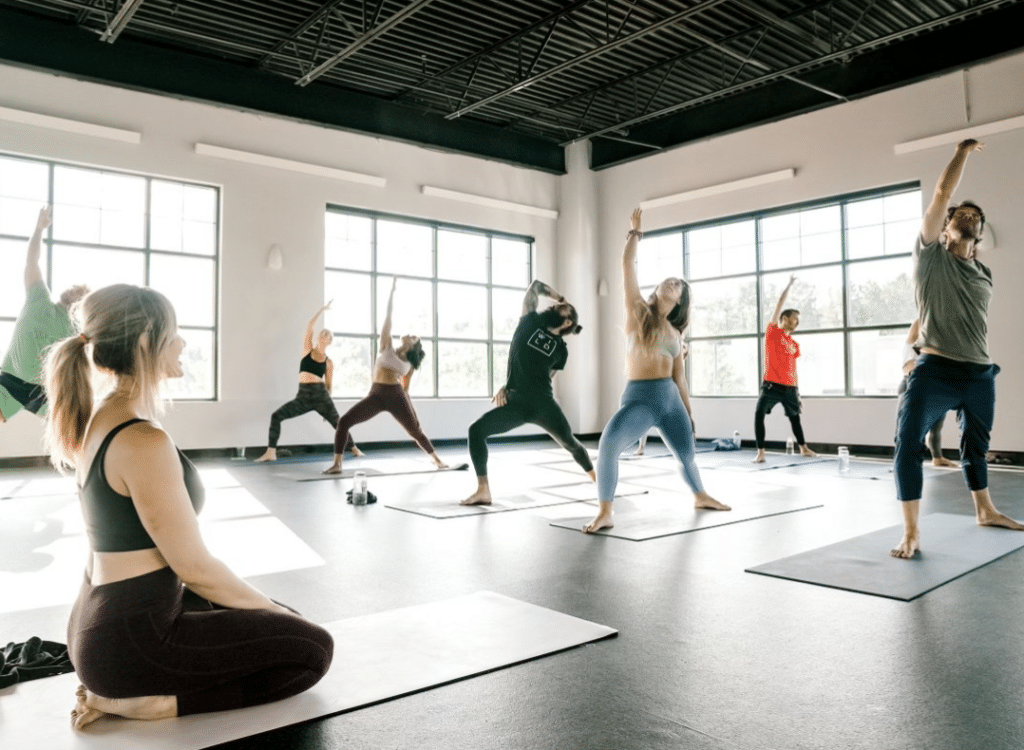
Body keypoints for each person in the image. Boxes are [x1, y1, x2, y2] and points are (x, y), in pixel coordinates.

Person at [42, 284, 333, 730]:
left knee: (262, 613)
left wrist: (263, 609)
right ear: (144, 341)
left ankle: (129, 685)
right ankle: (151, 703)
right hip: (133, 641)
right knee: (313, 649)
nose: (182, 343)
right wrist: (278, 614)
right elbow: (194, 567)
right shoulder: (142, 440)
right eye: (174, 333)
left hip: (99, 625)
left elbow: (110, 552)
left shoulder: (100, 417)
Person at [891, 139, 1024, 558]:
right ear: (945, 228)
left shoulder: (983, 272)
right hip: (935, 371)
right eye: (959, 216)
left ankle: (985, 511)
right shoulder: (930, 256)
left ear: (979, 233)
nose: (967, 217)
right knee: (907, 442)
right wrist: (962, 152)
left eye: (975, 217)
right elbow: (942, 194)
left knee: (976, 447)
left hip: (980, 374)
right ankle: (911, 532)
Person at [584, 209, 729, 533]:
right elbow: (626, 266)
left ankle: (700, 495)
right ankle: (605, 511)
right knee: (608, 445)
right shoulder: (638, 312)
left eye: (677, 284)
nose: (671, 282)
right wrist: (635, 233)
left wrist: (689, 413)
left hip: (671, 398)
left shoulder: (676, 334)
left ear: (679, 300)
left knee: (686, 453)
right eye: (668, 280)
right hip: (640, 398)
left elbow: (680, 378)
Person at [461, 279, 593, 505]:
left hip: (543, 404)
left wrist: (515, 385)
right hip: (516, 404)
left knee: (571, 443)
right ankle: (483, 490)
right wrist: (560, 298)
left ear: (567, 321)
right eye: (557, 305)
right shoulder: (529, 321)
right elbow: (534, 287)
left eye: (563, 308)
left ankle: (597, 480)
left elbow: (545, 376)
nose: (555, 307)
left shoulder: (561, 350)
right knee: (476, 431)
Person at [323, 278, 446, 475]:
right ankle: (337, 464)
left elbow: (405, 388)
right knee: (344, 421)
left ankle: (437, 460)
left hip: (396, 396)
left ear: (414, 346)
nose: (410, 334)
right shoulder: (386, 345)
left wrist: (411, 410)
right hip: (376, 395)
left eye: (414, 337)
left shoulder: (410, 364)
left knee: (415, 431)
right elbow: (387, 319)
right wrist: (391, 293)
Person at [0, 206, 88, 423]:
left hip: (46, 392)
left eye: (82, 291)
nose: (75, 289)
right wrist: (39, 229)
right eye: (76, 285)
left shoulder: (80, 331)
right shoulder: (39, 297)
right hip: (11, 380)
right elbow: (32, 261)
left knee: (80, 432)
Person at [254, 301, 362, 462]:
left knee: (339, 423)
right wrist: (321, 310)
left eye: (327, 335)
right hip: (303, 395)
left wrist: (328, 405)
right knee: (277, 416)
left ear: (329, 342)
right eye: (322, 333)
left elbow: (329, 385)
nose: (323, 335)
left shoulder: (328, 362)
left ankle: (354, 448)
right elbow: (310, 327)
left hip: (320, 395)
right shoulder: (307, 350)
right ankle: (271, 452)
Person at [752, 274, 818, 463]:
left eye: (798, 319)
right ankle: (761, 452)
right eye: (795, 318)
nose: (797, 322)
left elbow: (794, 369)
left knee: (795, 418)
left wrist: (798, 393)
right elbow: (779, 303)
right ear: (784, 318)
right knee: (759, 414)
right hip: (771, 386)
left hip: (790, 388)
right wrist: (789, 284)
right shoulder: (773, 333)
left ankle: (803, 448)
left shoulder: (795, 345)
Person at [899, 319, 956, 468]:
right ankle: (905, 462)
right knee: (910, 428)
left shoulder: (935, 350)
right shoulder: (911, 346)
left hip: (934, 386)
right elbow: (909, 369)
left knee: (936, 427)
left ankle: (937, 457)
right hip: (911, 385)